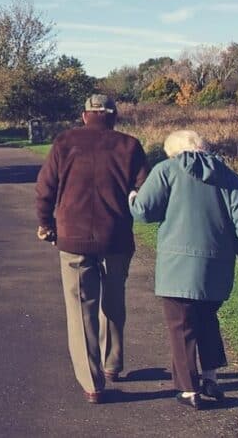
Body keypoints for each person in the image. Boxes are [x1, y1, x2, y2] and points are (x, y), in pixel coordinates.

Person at [129, 130, 238, 410]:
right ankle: (211, 377)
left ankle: (189, 389)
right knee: (207, 319)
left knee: (181, 326)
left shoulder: (166, 170)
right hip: (218, 265)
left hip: (177, 267)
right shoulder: (228, 175)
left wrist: (132, 197)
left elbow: (143, 211)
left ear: (174, 152)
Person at [35, 94, 149, 404]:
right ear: (114, 116)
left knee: (81, 308)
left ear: (85, 115)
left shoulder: (64, 142)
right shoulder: (130, 145)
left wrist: (45, 223)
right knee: (114, 300)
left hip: (73, 238)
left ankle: (92, 382)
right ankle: (112, 364)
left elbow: (45, 186)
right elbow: (144, 190)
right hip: (116, 238)